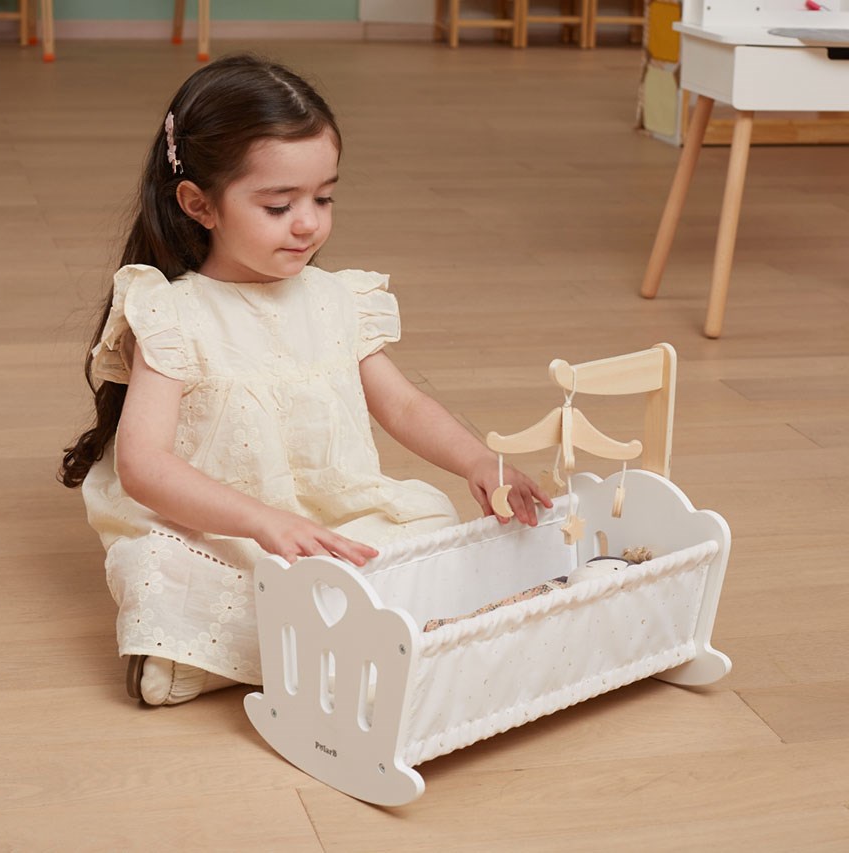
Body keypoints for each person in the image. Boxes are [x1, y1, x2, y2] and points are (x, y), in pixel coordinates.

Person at [60, 54, 550, 706]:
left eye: (323, 198)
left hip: (333, 518)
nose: (308, 223)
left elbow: (403, 405)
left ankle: (294, 647)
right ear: (199, 204)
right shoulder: (172, 313)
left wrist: (480, 461)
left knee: (429, 519)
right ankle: (204, 659)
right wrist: (262, 522)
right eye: (278, 204)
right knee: (158, 564)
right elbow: (144, 467)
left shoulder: (336, 299)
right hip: (227, 528)